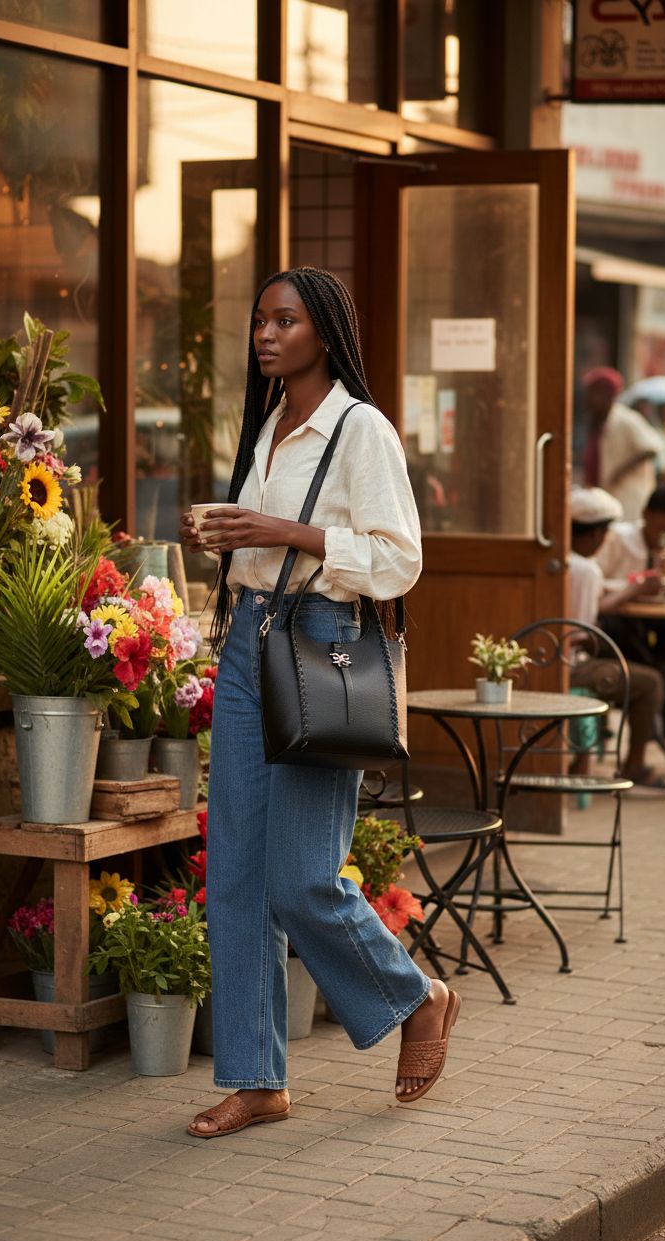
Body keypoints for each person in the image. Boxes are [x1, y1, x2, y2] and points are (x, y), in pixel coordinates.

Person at [178, 266, 459, 1139]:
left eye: (285, 320)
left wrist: (278, 532)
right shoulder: (271, 425)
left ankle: (416, 997)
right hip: (249, 644)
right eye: (261, 321)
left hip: (321, 648)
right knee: (234, 878)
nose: (266, 334)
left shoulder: (360, 427)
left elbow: (398, 558)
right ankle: (258, 1080)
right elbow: (268, 545)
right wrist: (227, 532)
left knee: (301, 876)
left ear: (325, 333)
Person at [569, 487, 665, 790]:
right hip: (571, 664)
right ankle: (633, 764)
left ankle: (585, 760)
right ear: (596, 535)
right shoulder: (586, 570)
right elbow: (584, 630)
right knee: (650, 681)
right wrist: (635, 590)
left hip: (562, 656)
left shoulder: (569, 564)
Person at [581, 367, 664, 521]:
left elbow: (652, 448)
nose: (589, 399)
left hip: (628, 498)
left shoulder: (626, 419)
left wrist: (620, 470)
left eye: (594, 393)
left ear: (607, 395)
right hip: (609, 495)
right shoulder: (599, 422)